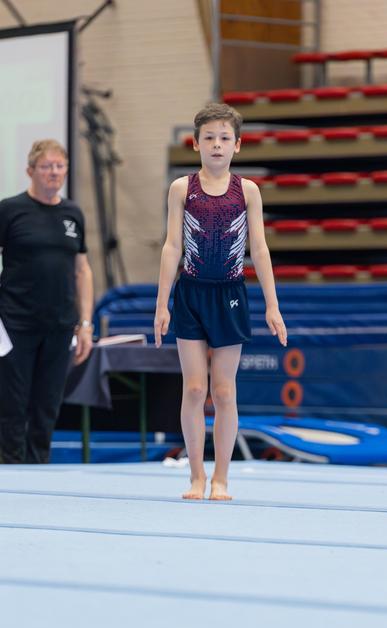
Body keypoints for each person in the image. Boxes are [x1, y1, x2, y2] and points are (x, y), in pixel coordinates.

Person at [154, 103, 287, 500]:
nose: (216, 145)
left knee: (224, 391)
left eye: (224, 138)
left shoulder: (247, 191)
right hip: (191, 293)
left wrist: (272, 304)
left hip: (230, 293)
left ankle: (222, 478)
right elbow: (171, 246)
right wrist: (162, 304)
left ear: (238, 145)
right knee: (194, 389)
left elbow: (259, 250)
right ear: (195, 144)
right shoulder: (182, 188)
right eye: (208, 138)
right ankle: (196, 476)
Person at [0, 139, 94, 464]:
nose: (54, 172)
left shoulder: (73, 213)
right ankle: (9, 473)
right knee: (12, 406)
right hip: (15, 325)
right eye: (46, 166)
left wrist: (85, 324)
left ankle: (38, 470)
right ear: (30, 171)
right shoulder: (9, 210)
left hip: (59, 326)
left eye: (59, 166)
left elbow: (82, 270)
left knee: (47, 405)